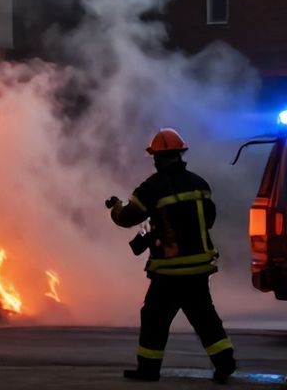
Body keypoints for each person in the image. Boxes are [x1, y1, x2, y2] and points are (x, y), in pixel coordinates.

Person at [108, 128, 236, 384]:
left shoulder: (152, 187)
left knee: (154, 317)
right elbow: (208, 219)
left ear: (157, 157)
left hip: (169, 270)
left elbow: (128, 218)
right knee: (204, 316)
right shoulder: (200, 184)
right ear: (180, 154)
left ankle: (148, 369)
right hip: (199, 267)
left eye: (155, 156)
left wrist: (115, 207)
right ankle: (225, 363)